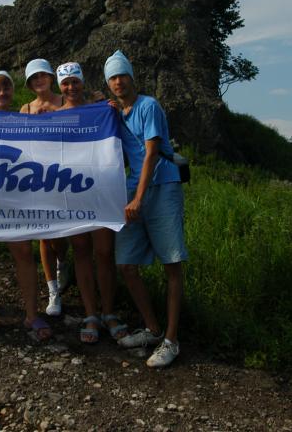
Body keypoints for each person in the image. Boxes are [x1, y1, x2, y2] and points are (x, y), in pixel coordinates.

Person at [103, 50, 187, 368]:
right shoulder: (117, 114)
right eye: (112, 78)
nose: (118, 82)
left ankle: (171, 339)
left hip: (162, 187)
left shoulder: (148, 106)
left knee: (171, 263)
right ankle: (152, 328)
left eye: (122, 75)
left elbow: (151, 154)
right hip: (134, 189)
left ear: (132, 77)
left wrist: (137, 199)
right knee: (126, 264)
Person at [0, 70, 52, 342]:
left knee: (24, 253)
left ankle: (31, 313)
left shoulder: (23, 120)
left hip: (15, 198)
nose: (1, 93)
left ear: (13, 92)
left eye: (6, 88)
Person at [57, 61, 127, 344]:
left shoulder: (101, 109)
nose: (71, 87)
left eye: (75, 81)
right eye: (66, 83)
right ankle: (90, 313)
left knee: (104, 252)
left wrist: (110, 109)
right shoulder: (53, 116)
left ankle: (108, 312)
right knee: (82, 251)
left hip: (100, 190)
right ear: (60, 87)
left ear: (83, 83)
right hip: (69, 193)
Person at [19, 58, 70, 316]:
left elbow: (82, 117)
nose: (39, 80)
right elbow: (20, 144)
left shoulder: (64, 100)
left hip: (65, 175)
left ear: (51, 77)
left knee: (60, 233)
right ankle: (53, 292)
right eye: (34, 78)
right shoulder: (26, 109)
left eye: (43, 75)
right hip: (38, 178)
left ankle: (62, 262)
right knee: (43, 233)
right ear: (29, 84)